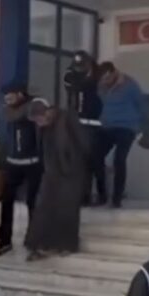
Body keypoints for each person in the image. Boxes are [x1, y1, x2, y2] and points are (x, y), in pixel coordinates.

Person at [23, 98, 91, 262]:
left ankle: (66, 245)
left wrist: (77, 163)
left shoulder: (67, 118)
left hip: (72, 171)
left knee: (67, 208)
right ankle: (38, 245)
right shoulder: (44, 127)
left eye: (39, 119)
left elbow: (84, 142)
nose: (38, 123)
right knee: (44, 208)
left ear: (47, 112)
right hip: (52, 171)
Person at [0, 82, 42, 259]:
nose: (7, 98)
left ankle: (35, 244)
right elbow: (11, 115)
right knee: (6, 202)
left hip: (33, 163)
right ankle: (4, 242)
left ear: (20, 94)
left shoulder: (33, 106)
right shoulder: (9, 110)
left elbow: (32, 116)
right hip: (13, 163)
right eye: (5, 96)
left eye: (10, 95)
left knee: (33, 204)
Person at [97, 61, 146, 208]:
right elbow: (102, 102)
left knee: (119, 159)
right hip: (108, 127)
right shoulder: (101, 86)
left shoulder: (130, 85)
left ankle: (117, 198)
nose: (105, 81)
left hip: (126, 127)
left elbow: (141, 104)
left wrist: (139, 126)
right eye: (102, 79)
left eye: (107, 78)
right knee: (95, 156)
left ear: (114, 73)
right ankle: (102, 195)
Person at [62, 50, 106, 206]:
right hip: (79, 124)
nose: (79, 69)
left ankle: (101, 195)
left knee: (96, 162)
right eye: (77, 66)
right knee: (80, 162)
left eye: (82, 65)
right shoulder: (72, 78)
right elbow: (70, 84)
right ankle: (83, 196)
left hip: (95, 125)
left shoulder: (98, 78)